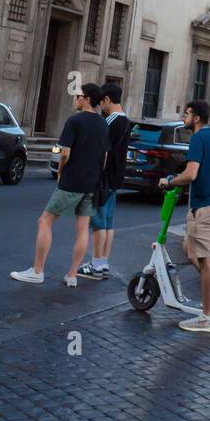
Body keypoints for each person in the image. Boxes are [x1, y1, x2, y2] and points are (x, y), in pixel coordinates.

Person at [11, 84, 109, 288]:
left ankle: (37, 270)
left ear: (88, 99)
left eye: (78, 96)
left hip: (72, 180)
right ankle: (72, 275)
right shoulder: (103, 124)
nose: (75, 100)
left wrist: (61, 171)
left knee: (44, 221)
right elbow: (105, 156)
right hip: (91, 182)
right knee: (82, 229)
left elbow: (65, 153)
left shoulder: (75, 120)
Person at [158, 100, 210, 333]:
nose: (184, 117)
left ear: (197, 119)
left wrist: (170, 180)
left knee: (205, 258)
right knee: (188, 248)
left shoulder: (198, 139)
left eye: (187, 114)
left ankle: (207, 317)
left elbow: (191, 174)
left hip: (206, 204)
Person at [78, 82, 131, 281]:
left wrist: (95, 173)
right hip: (116, 177)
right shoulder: (125, 121)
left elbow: (104, 152)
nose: (101, 106)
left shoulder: (109, 122)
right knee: (108, 223)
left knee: (99, 223)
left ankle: (96, 265)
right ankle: (103, 262)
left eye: (102, 102)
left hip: (104, 178)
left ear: (107, 99)